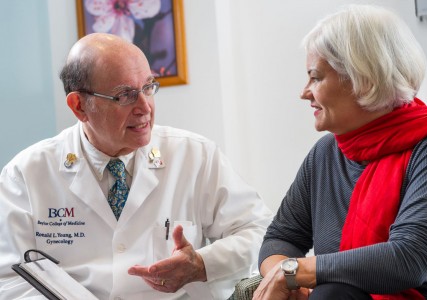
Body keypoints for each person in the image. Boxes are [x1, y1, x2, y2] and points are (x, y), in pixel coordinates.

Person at [0, 33, 272, 300]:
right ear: (79, 106)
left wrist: (202, 264)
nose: (145, 107)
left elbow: (261, 232)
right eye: (125, 95)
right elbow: (9, 279)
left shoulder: (195, 155)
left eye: (148, 87)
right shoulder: (26, 174)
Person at [253, 4, 427, 300]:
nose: (304, 92)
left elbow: (409, 258)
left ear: (363, 79)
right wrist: (287, 280)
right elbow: (281, 237)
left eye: (316, 77)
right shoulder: (326, 152)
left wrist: (296, 271)